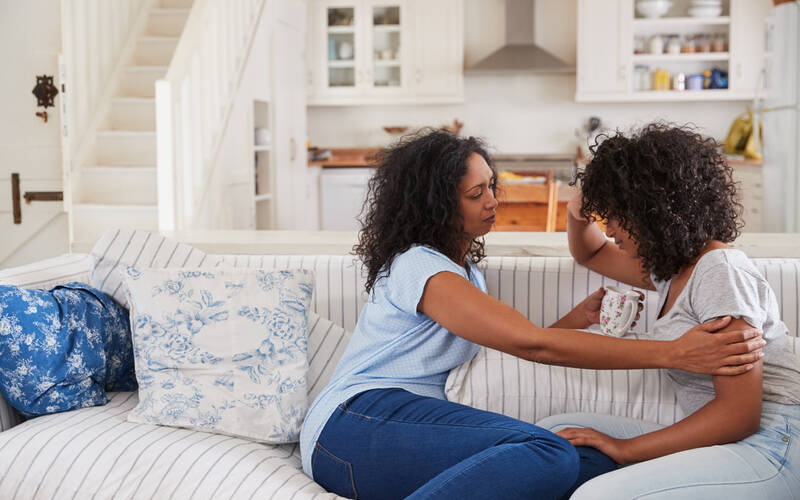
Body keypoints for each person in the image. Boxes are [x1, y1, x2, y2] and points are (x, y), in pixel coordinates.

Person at [299, 129, 764, 500]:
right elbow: (530, 343)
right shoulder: (419, 265)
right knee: (548, 451)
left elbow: (508, 344)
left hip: (394, 441)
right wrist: (674, 353)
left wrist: (573, 321)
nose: (492, 201)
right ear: (436, 206)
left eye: (492, 187)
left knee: (589, 461)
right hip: (355, 422)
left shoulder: (466, 274)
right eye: (475, 193)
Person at [538, 123, 800, 498]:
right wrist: (577, 212)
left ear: (653, 208)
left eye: (615, 213)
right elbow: (591, 253)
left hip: (774, 442)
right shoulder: (673, 269)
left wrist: (624, 449)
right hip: (727, 439)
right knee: (556, 431)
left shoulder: (718, 271)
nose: (609, 227)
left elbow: (739, 415)